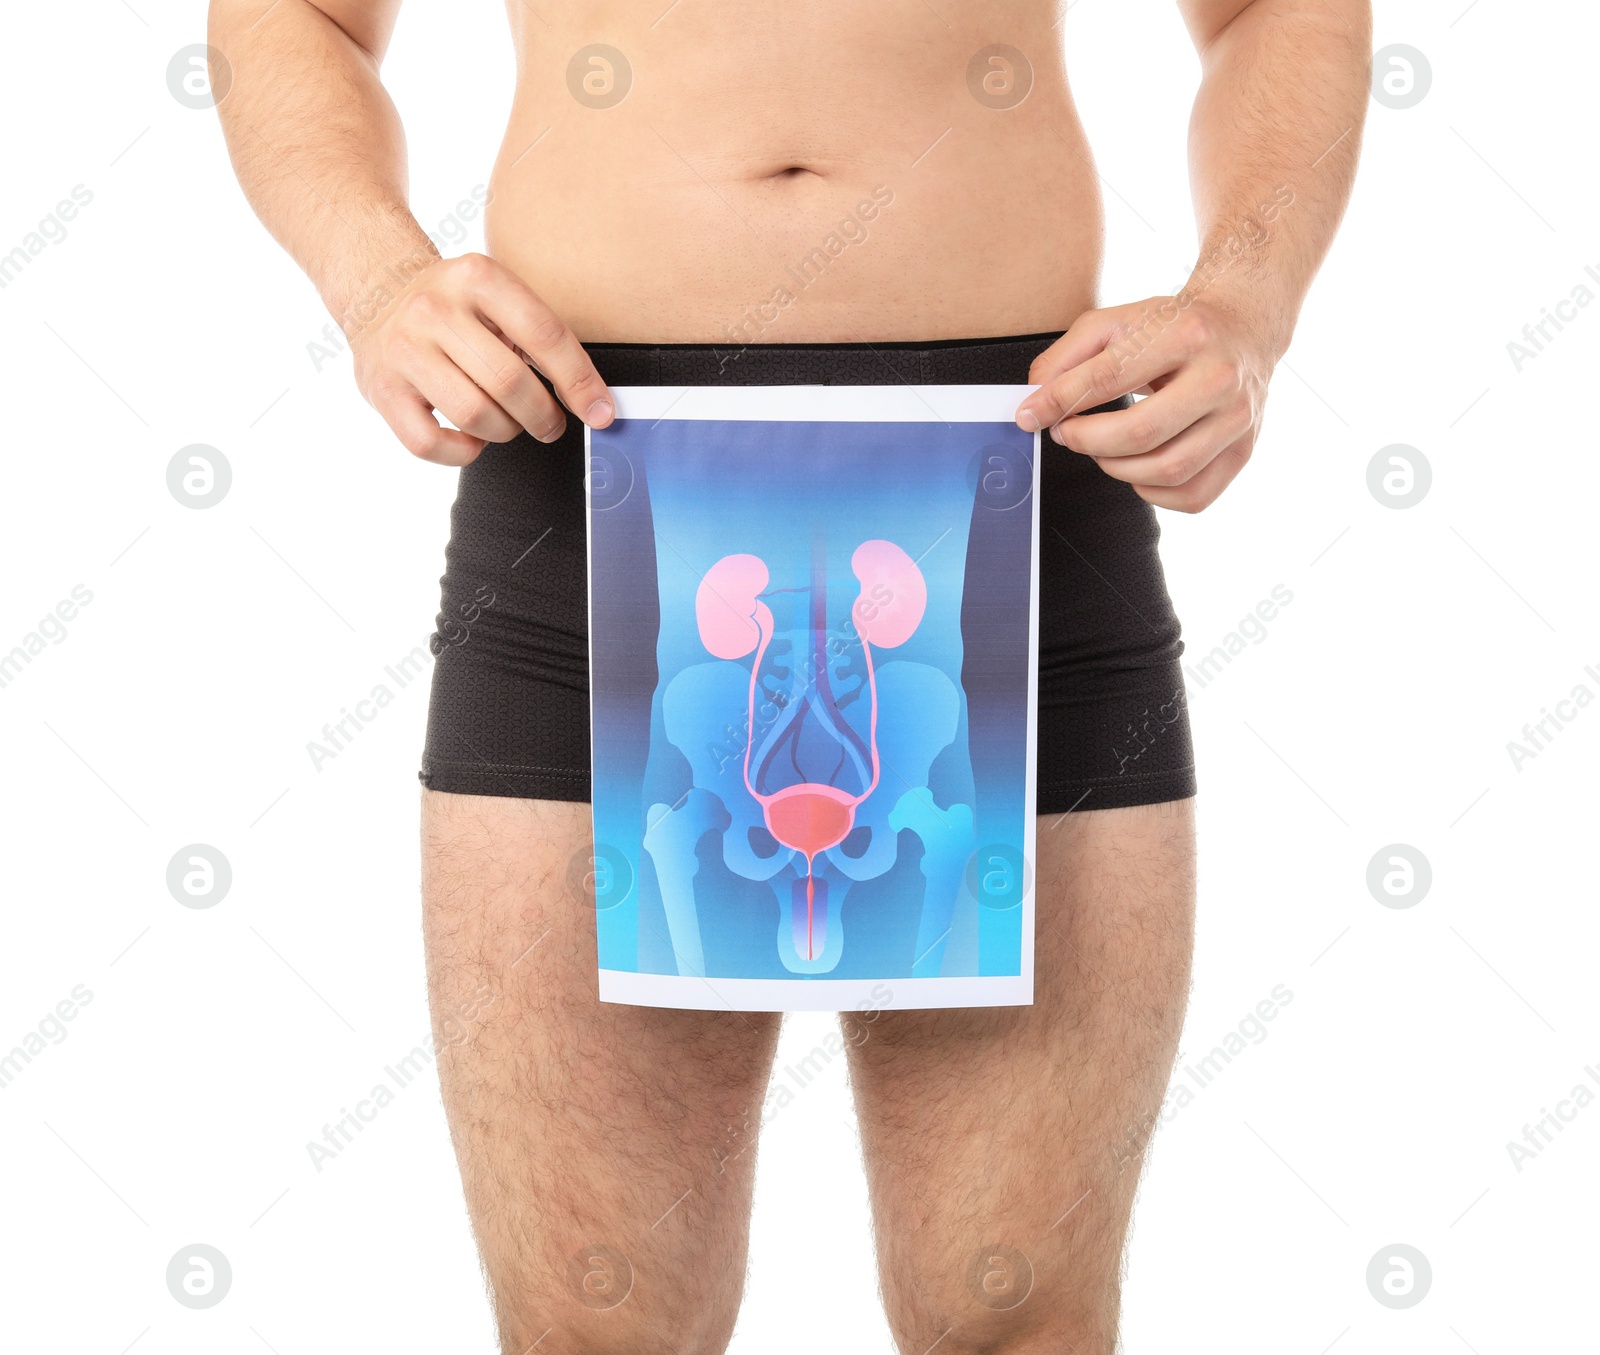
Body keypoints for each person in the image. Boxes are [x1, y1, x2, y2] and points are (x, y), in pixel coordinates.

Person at [211, 2, 1369, 1349]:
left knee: (1017, 1321)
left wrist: (1247, 302)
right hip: (591, 463)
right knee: (599, 1330)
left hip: (1010, 476)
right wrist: (373, 280)